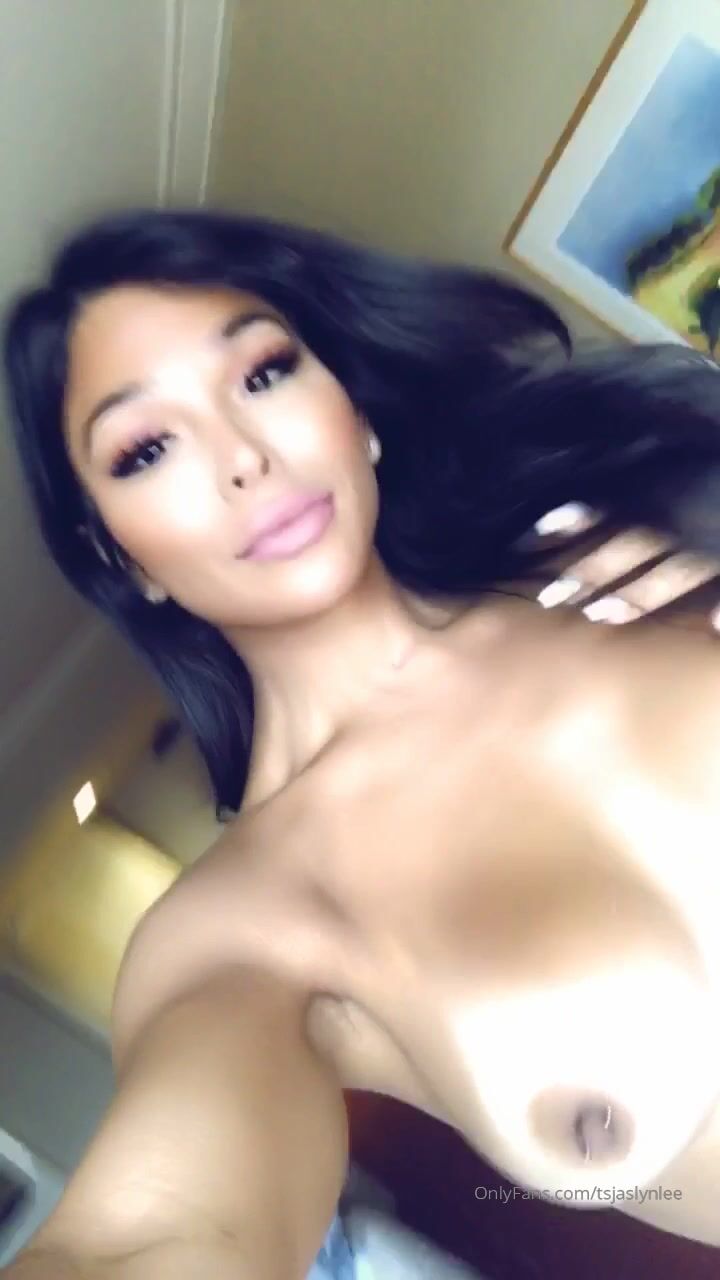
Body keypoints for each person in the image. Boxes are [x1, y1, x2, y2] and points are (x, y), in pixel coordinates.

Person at [4, 208, 720, 1278]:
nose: (244, 457)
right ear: (121, 557)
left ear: (354, 410)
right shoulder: (243, 929)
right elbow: (159, 1237)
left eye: (263, 373)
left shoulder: (627, 550)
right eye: (147, 447)